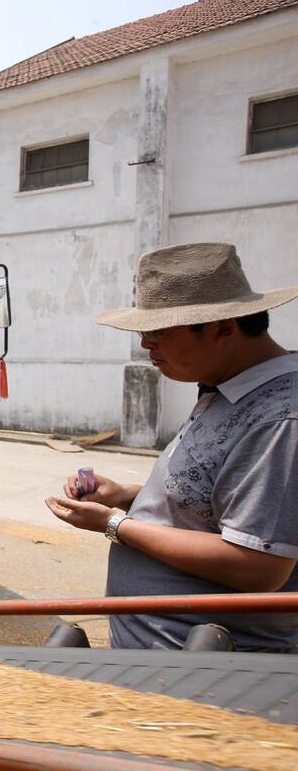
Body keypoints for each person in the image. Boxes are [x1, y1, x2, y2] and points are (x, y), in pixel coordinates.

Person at [46, 242, 298, 651]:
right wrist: (128, 496)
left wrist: (115, 524)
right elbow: (208, 503)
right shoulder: (227, 387)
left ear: (223, 327)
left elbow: (260, 565)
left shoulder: (280, 419)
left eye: (159, 332)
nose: (147, 345)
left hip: (205, 672)